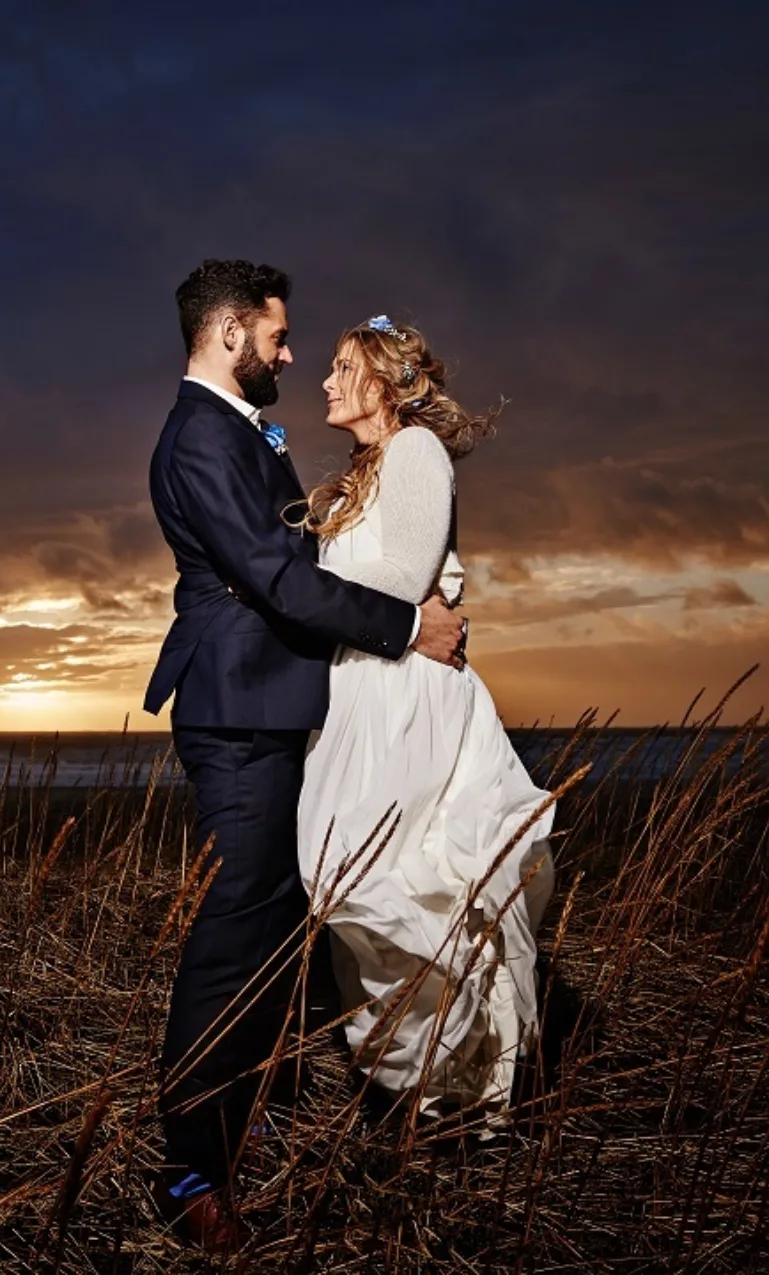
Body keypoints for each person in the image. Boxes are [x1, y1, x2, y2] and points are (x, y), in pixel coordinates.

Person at [143, 261, 467, 1253]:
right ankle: (190, 1174)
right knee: (233, 933)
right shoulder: (199, 434)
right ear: (232, 334)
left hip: (276, 706)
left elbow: (308, 557)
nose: (289, 354)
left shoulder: (246, 427)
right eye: (278, 338)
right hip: (238, 710)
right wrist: (407, 627)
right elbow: (281, 580)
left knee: (278, 923)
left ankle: (255, 1115)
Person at [295, 315, 555, 1124]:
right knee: (354, 881)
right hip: (366, 692)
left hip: (406, 693)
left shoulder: (415, 451)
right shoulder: (361, 470)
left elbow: (406, 575)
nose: (327, 381)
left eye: (343, 367)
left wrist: (292, 582)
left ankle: (451, 1084)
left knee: (392, 881)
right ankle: (414, 1086)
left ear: (382, 379)